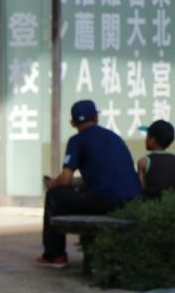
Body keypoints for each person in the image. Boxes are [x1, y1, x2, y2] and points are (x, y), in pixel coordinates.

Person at [37, 99, 140, 269]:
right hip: (131, 199)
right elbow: (101, 176)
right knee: (74, 193)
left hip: (106, 200)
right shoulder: (114, 137)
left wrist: (52, 183)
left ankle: (54, 256)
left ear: (72, 123)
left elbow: (65, 179)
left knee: (54, 196)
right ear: (96, 118)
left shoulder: (77, 140)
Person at [137, 119, 175, 200]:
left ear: (152, 140)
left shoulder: (143, 162)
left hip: (152, 208)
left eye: (147, 136)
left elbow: (140, 188)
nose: (146, 139)